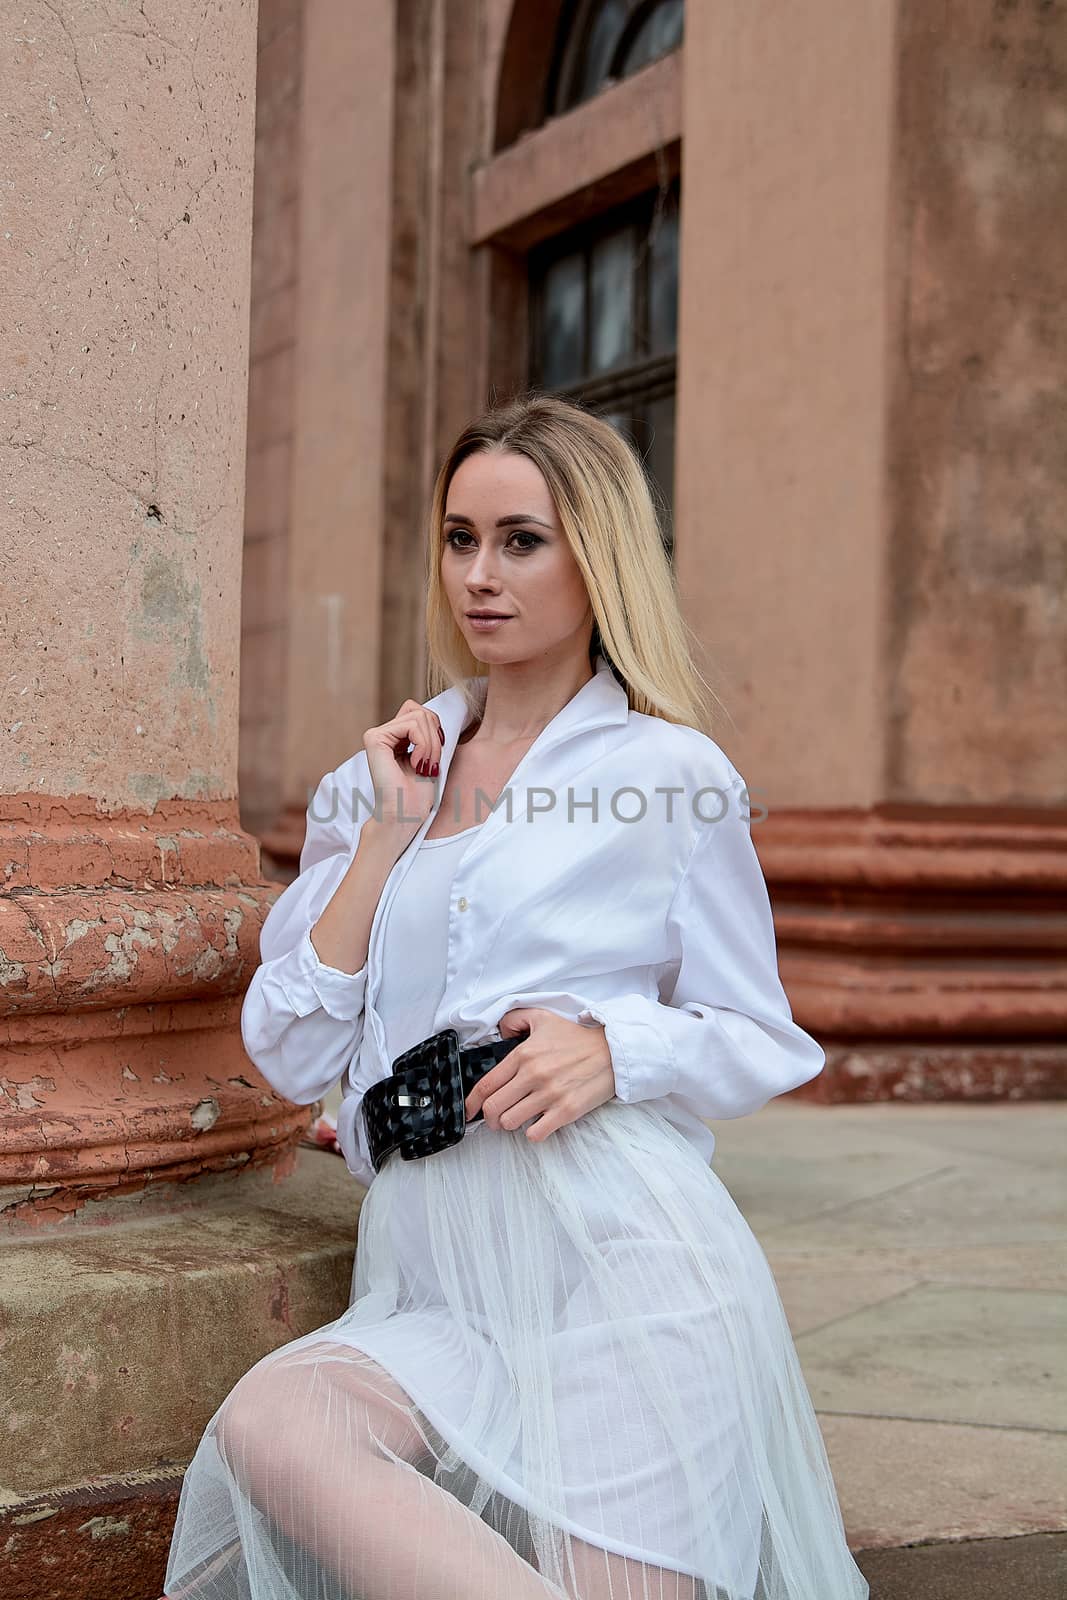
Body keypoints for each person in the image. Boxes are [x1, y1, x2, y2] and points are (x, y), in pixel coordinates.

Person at [162, 395, 870, 1600]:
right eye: (458, 538)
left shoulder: (669, 774)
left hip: (624, 1266)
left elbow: (760, 1034)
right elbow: (285, 1046)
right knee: (278, 1427)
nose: (479, 576)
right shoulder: (379, 775)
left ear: (595, 555)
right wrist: (386, 838)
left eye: (520, 540)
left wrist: (614, 1045)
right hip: (435, 1285)